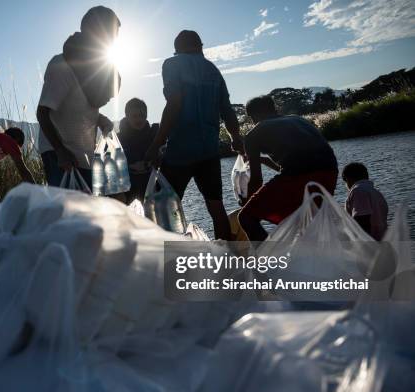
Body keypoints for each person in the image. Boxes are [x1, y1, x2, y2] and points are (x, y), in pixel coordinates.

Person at [144, 30, 243, 241]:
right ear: (200, 46)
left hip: (181, 150)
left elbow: (174, 103)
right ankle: (228, 262)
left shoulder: (172, 64)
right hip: (209, 150)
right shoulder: (213, 70)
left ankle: (167, 264)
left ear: (177, 48)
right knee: (216, 208)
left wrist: (156, 144)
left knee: (165, 207)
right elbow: (226, 110)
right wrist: (235, 138)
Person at [36, 6, 120, 188]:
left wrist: (100, 119)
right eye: (112, 34)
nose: (114, 40)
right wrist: (60, 151)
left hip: (85, 155)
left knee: (88, 213)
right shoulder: (62, 64)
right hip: (60, 154)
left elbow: (80, 107)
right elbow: (42, 112)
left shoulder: (96, 70)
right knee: (68, 212)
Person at [238, 95, 338, 241]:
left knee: (246, 217)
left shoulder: (254, 134)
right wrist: (263, 160)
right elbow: (299, 163)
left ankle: (269, 261)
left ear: (254, 114)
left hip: (299, 176)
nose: (252, 121)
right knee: (309, 223)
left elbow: (256, 180)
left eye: (250, 116)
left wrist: (247, 202)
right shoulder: (298, 120)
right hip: (329, 172)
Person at [117, 98, 158, 203]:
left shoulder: (155, 135)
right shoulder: (118, 140)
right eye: (134, 116)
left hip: (151, 187)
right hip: (128, 189)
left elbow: (164, 158)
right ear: (127, 117)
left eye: (142, 116)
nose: (139, 119)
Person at [342, 162, 388, 240]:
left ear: (348, 179)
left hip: (370, 247)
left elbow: (362, 221)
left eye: (345, 182)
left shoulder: (358, 191)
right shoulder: (377, 193)